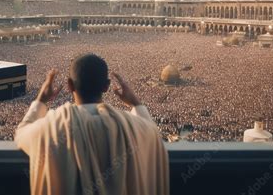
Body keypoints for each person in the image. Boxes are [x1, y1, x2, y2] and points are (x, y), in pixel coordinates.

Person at [15, 53, 169, 195]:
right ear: (107, 86)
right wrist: (136, 103)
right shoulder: (130, 127)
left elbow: (21, 133)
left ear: (69, 86)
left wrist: (41, 100)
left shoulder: (53, 128)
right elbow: (152, 132)